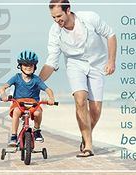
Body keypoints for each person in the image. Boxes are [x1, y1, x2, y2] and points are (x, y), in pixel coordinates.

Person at [39, 0, 117, 157]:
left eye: (59, 16)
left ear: (68, 10)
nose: (56, 20)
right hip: (75, 65)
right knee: (80, 100)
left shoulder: (89, 18)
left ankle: (85, 134)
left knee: (95, 110)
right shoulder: (55, 31)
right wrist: (36, 83)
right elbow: (51, 61)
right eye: (53, 17)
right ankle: (88, 145)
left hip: (97, 64)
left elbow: (111, 35)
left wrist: (111, 61)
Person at [0, 50, 55, 147]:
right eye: (25, 65)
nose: (28, 67)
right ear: (20, 66)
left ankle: (37, 130)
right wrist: (4, 95)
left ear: (34, 66)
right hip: (19, 103)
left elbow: (48, 89)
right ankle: (13, 135)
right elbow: (2, 87)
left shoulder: (36, 79)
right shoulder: (16, 77)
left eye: (31, 65)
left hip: (33, 103)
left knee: (38, 112)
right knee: (16, 111)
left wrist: (51, 98)